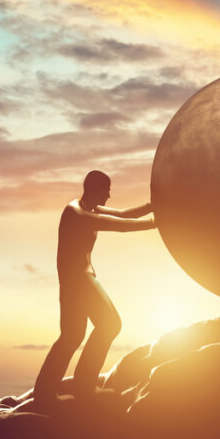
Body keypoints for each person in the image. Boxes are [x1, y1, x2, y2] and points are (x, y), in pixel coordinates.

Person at [33, 170, 156, 404]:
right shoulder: (77, 213)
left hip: (76, 280)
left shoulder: (88, 208)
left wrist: (153, 205)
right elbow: (121, 226)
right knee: (109, 324)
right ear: (94, 189)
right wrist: (155, 223)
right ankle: (81, 387)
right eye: (106, 190)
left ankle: (48, 393)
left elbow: (124, 214)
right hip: (80, 280)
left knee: (72, 336)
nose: (109, 196)